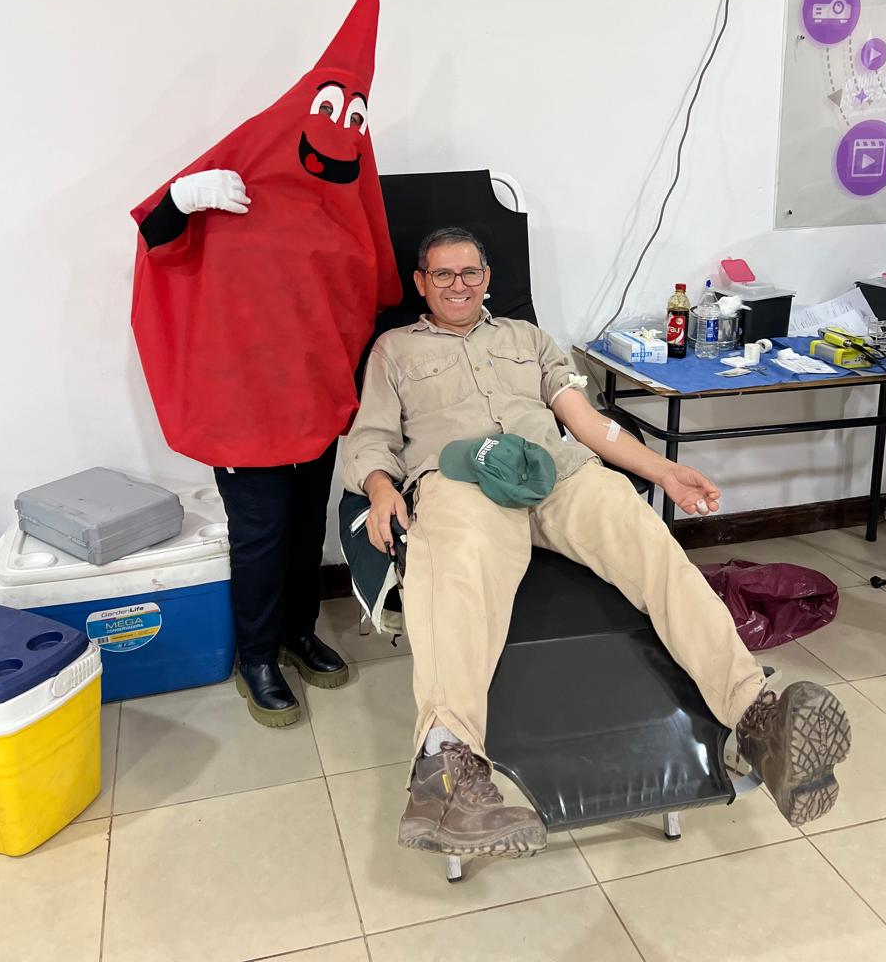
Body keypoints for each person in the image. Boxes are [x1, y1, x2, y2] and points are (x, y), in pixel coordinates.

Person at [343, 226, 851, 857]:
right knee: (458, 572)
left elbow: (586, 423)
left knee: (648, 542)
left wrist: (662, 471)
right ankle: (445, 779)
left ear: (488, 278)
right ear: (421, 283)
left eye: (470, 272)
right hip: (461, 482)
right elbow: (370, 437)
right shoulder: (395, 350)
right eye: (443, 274)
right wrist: (380, 488)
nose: (458, 285)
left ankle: (756, 720)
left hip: (554, 473)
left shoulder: (528, 339)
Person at [130, 0, 400, 727]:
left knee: (307, 522)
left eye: (355, 118)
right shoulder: (241, 167)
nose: (340, 129)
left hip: (314, 392)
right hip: (244, 400)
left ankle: (296, 632)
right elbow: (157, 238)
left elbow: (374, 282)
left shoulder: (343, 197)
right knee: (260, 532)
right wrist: (182, 199)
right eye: (331, 110)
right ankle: (255, 655)